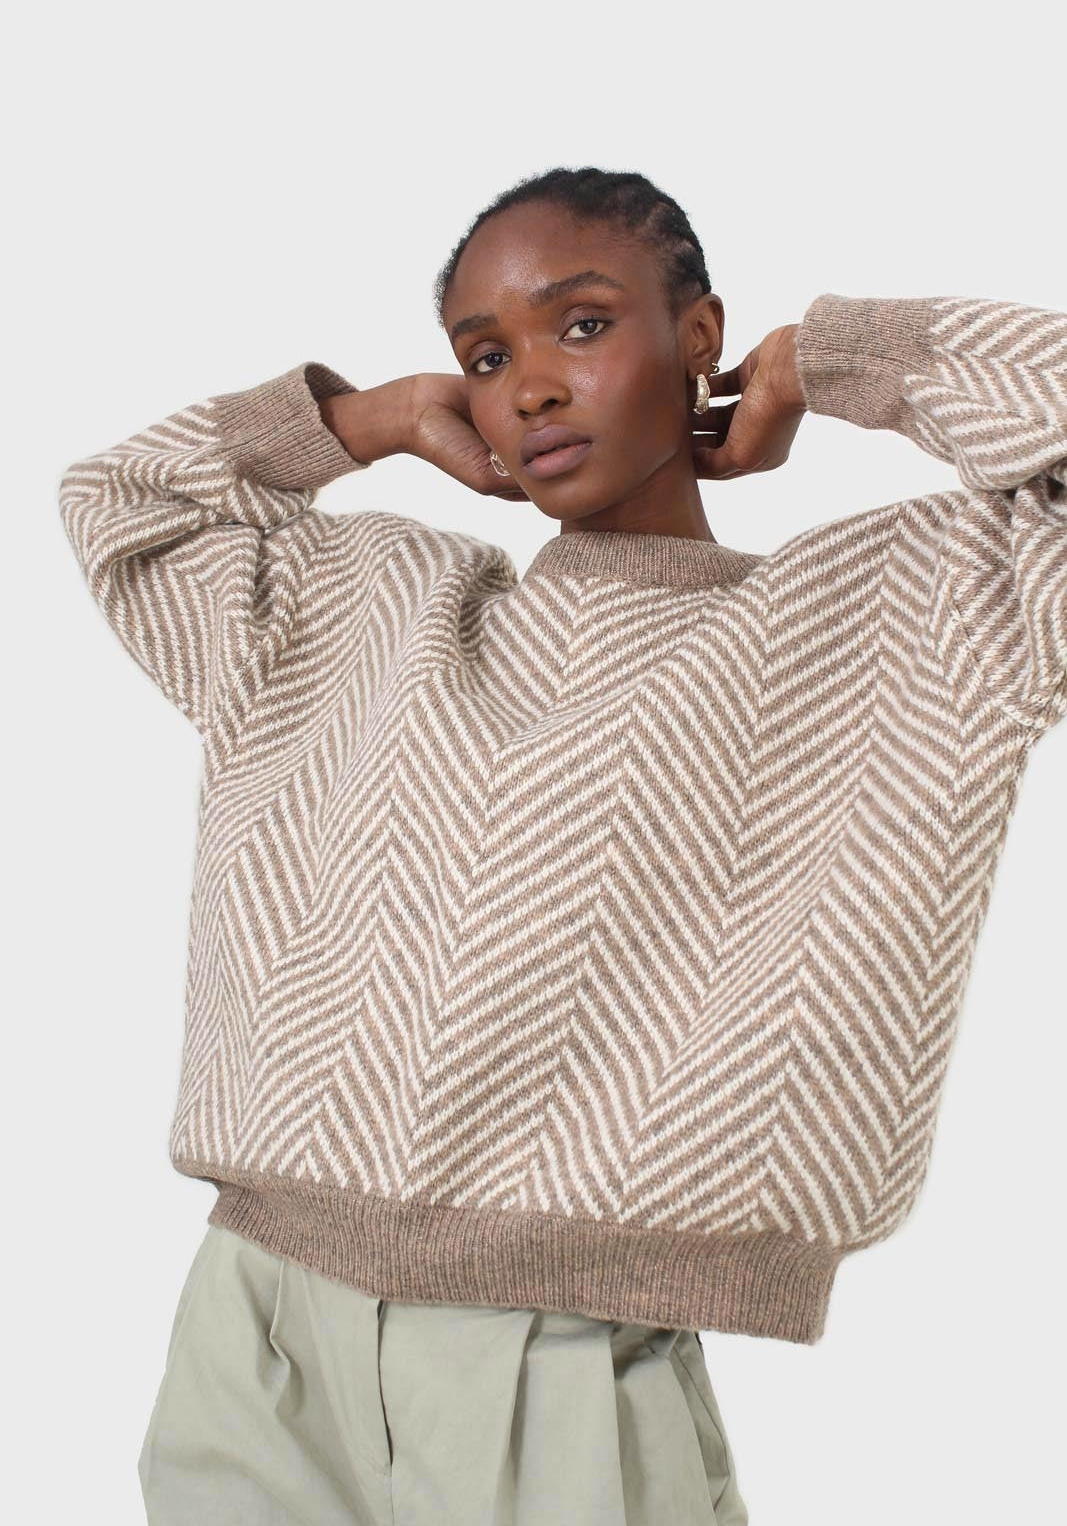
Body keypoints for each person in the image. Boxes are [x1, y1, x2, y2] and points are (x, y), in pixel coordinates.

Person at [57, 165, 1066, 1525]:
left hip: (566, 1343)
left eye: (581, 326)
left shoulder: (893, 619)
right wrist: (362, 420)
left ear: (696, 335)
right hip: (257, 1325)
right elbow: (126, 503)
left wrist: (827, 362)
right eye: (486, 357)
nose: (530, 386)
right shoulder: (364, 603)